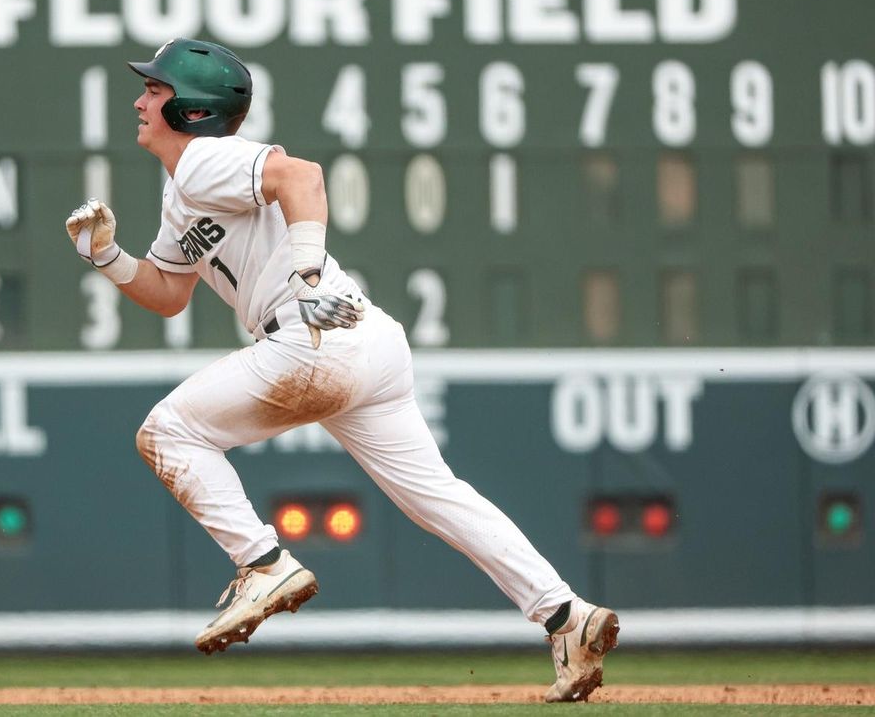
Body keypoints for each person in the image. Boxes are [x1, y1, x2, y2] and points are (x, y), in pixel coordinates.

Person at [65, 38, 619, 702]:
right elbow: (167, 293)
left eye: (155, 91)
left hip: (310, 336)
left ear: (193, 110)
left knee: (167, 433)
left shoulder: (205, 160)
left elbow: (302, 178)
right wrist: (107, 257)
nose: (140, 100)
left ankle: (262, 563)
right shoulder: (184, 187)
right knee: (439, 497)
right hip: (367, 343)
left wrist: (304, 274)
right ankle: (566, 616)